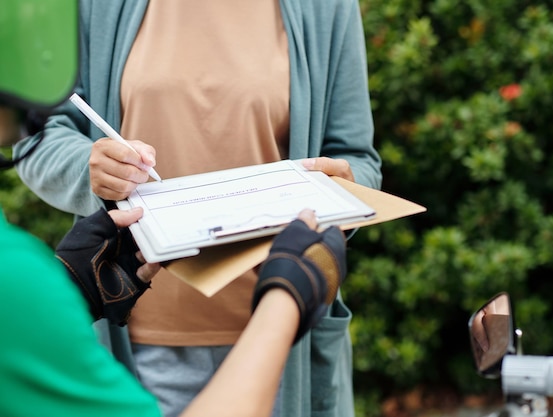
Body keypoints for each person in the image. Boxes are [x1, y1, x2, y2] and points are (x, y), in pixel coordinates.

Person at [14, 1, 382, 416]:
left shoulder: (326, 8)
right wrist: (90, 169)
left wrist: (343, 198)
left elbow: (356, 159)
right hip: (140, 338)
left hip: (289, 336)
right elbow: (34, 136)